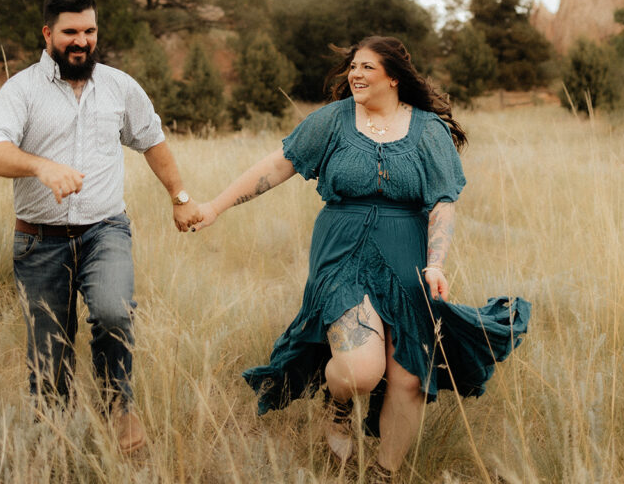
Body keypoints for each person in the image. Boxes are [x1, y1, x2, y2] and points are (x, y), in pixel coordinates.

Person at [194, 35, 530, 482]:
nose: (355, 74)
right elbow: (276, 165)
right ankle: (337, 406)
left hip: (407, 257)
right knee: (359, 370)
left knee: (409, 376)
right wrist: (215, 207)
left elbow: (443, 203)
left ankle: (383, 473)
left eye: (368, 67)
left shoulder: (428, 130)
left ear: (393, 77)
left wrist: (436, 262)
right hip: (343, 252)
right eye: (353, 66)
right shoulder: (333, 121)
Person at [0, 0, 203, 454]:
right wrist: (40, 166)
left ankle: (120, 407)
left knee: (114, 312)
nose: (81, 41)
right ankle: (54, 439)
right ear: (48, 34)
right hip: (39, 240)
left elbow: (152, 141)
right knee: (49, 351)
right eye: (70, 32)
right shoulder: (21, 90)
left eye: (89, 31)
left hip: (105, 230)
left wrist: (180, 197)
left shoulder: (120, 86)